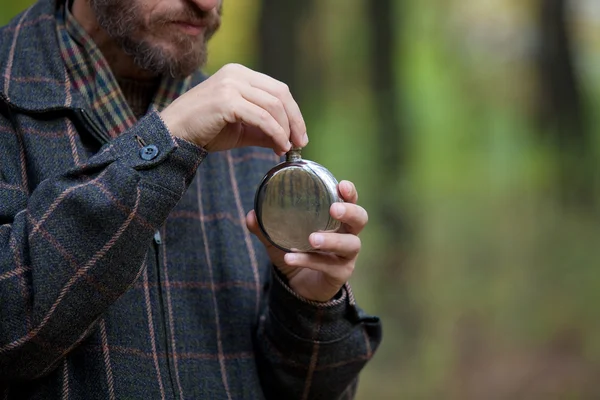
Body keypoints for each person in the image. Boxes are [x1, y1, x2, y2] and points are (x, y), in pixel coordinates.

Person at [0, 0, 382, 398]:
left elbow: (310, 391)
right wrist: (164, 143)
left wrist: (307, 306)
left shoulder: (248, 130)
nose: (206, 3)